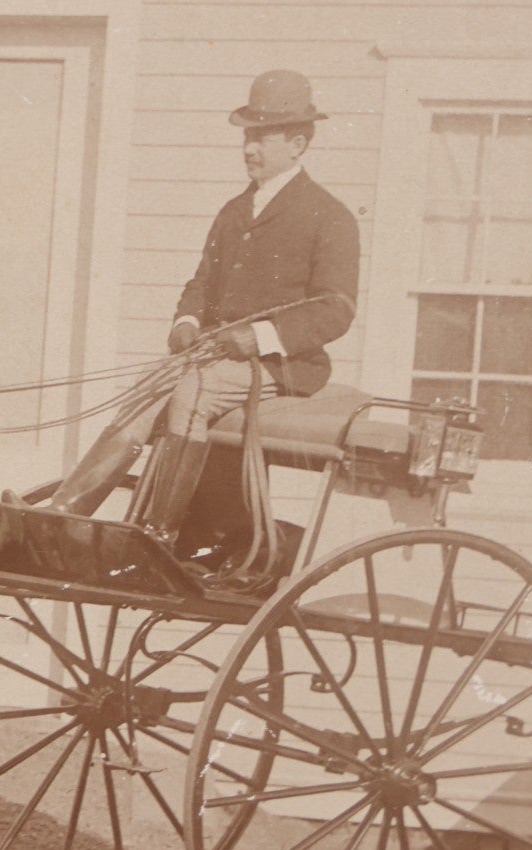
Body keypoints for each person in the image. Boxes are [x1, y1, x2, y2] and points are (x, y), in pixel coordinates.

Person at [37, 69, 360, 548]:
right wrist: (186, 322)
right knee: (149, 391)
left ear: (298, 144)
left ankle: (154, 533)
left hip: (283, 365)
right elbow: (201, 283)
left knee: (193, 391)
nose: (249, 148)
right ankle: (64, 513)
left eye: (263, 137)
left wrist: (261, 337)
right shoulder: (234, 211)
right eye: (248, 136)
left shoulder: (329, 216)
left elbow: (336, 308)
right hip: (215, 354)